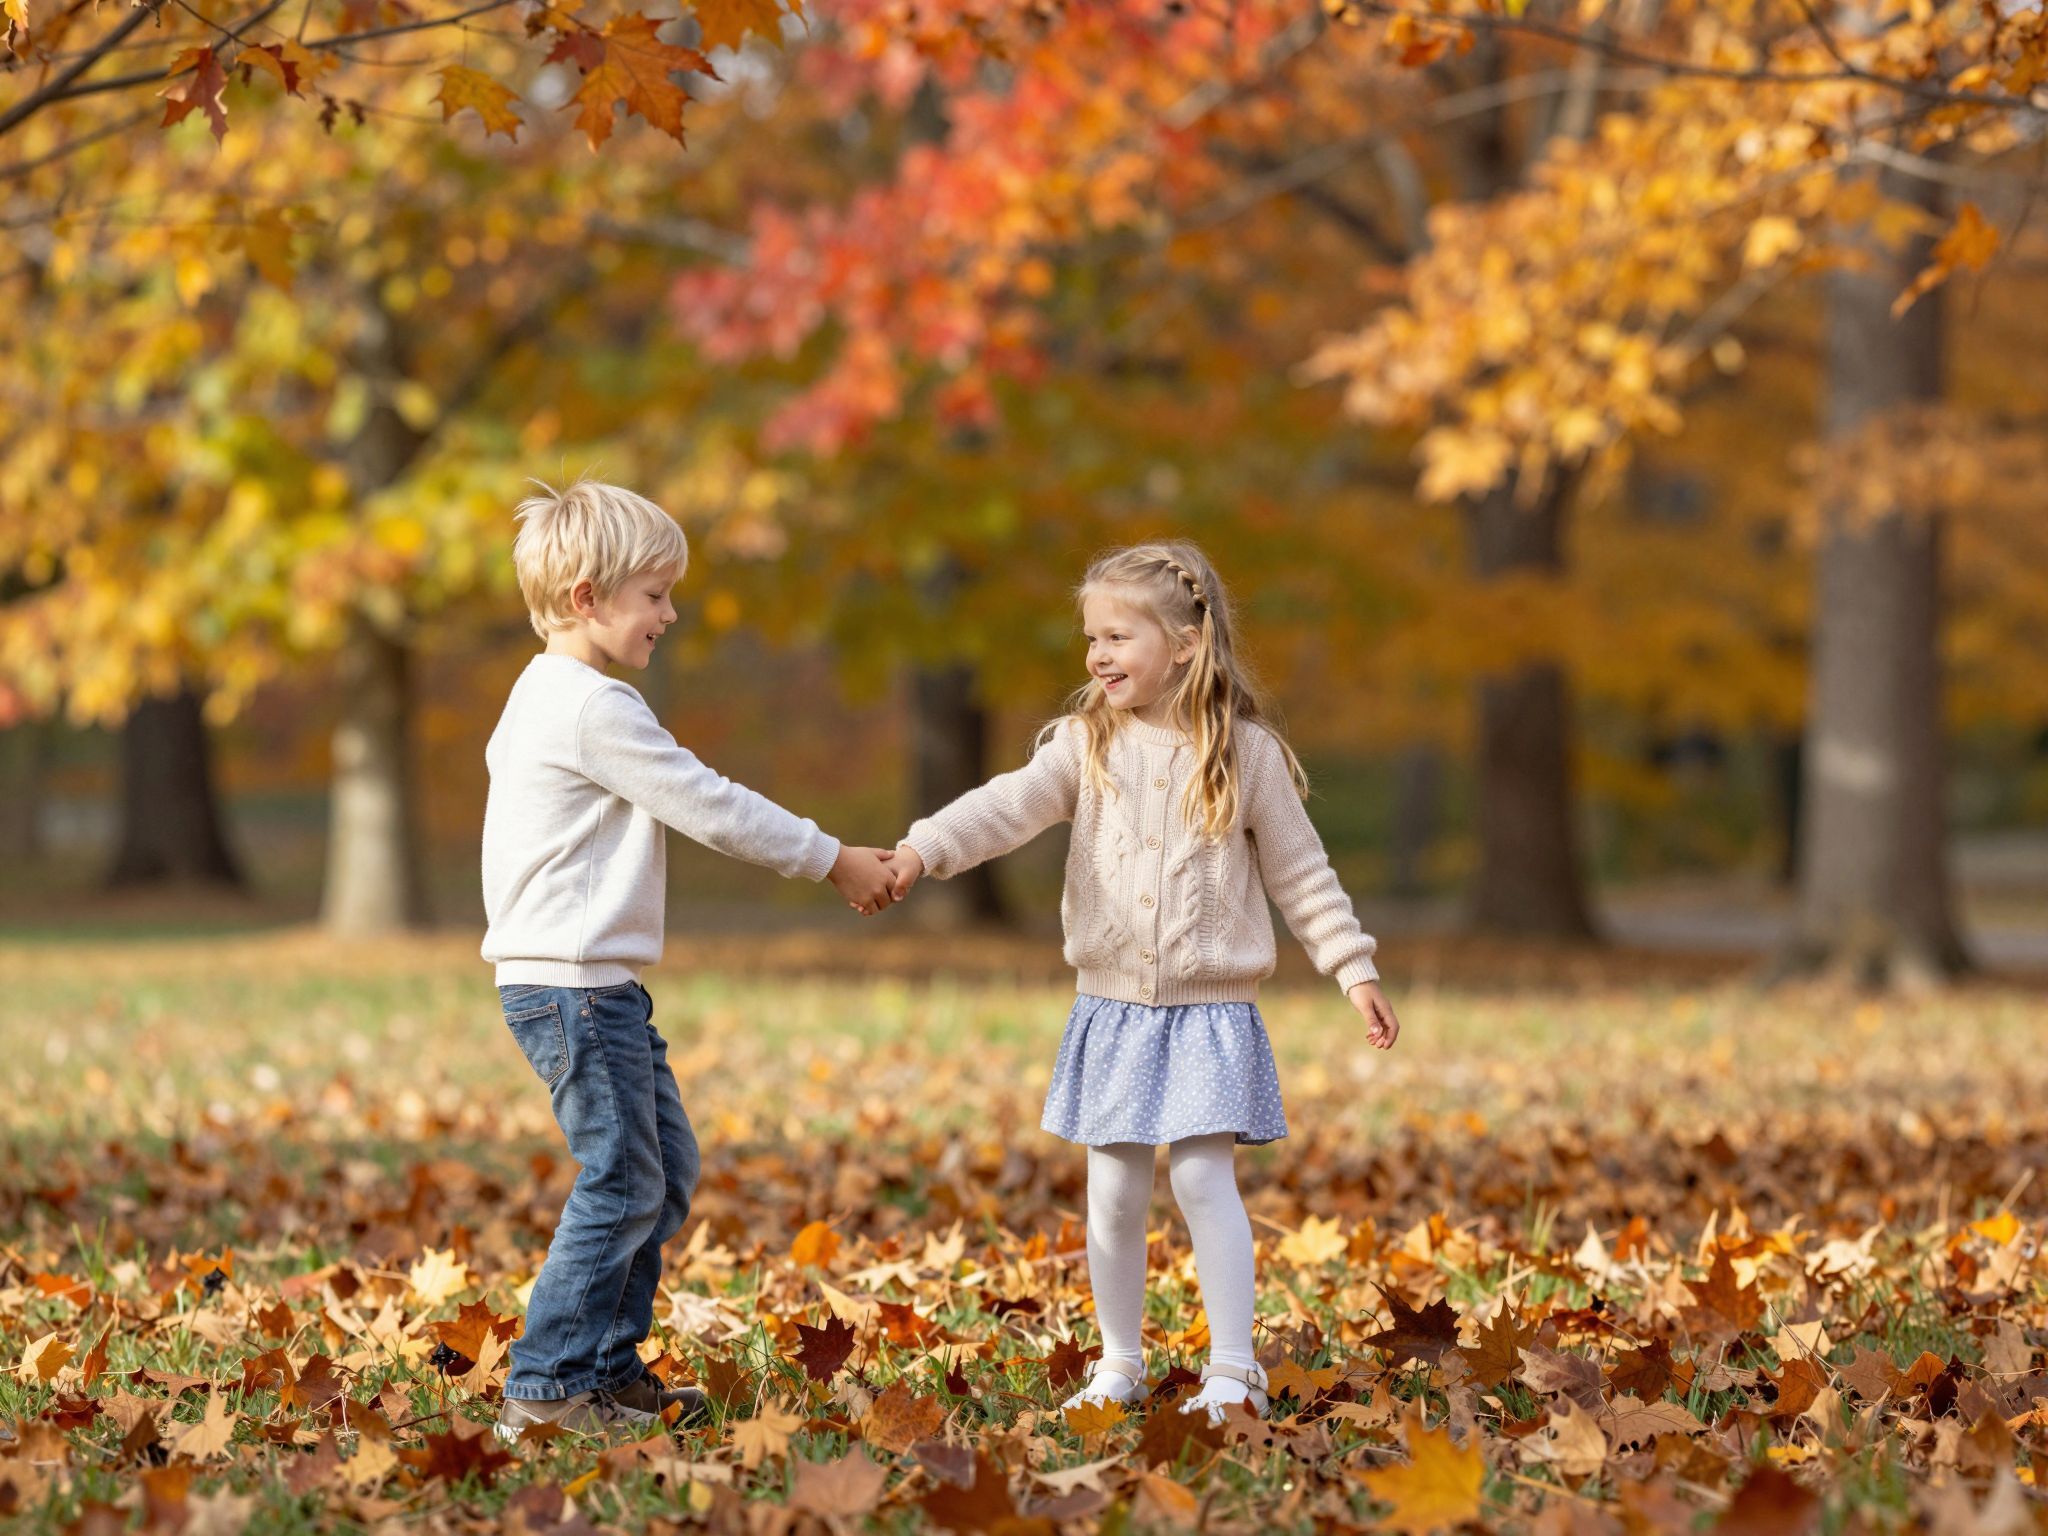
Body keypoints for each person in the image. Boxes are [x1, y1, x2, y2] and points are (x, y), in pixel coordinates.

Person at [886, 542, 1401, 1424]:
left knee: (1202, 1180)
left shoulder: (1245, 754)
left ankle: (1233, 1369)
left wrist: (1353, 967)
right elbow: (1003, 807)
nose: (1098, 655)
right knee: (1115, 1193)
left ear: (1187, 643)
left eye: (1119, 637)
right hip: (1113, 1011)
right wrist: (920, 849)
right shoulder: (1084, 745)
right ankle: (1119, 1362)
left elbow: (1301, 873)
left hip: (1209, 1014)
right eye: (1092, 637)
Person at [480, 478, 898, 1441]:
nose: (669, 615)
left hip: (586, 985)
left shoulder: (544, 693)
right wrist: (831, 857)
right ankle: (545, 1389)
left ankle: (604, 1369)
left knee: (661, 1172)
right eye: (655, 595)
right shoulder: (591, 707)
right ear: (588, 597)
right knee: (624, 1180)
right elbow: (709, 803)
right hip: (575, 988)